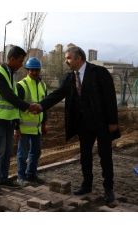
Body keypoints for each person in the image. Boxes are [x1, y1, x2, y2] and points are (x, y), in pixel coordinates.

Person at [36, 46, 120, 204]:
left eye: (68, 58)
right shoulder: (69, 78)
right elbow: (58, 94)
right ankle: (86, 185)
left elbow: (110, 98)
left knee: (105, 156)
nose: (66, 61)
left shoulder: (99, 73)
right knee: (85, 156)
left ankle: (108, 189)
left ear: (79, 58)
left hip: (102, 123)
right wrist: (41, 106)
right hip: (83, 125)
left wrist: (113, 122)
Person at [0, 46, 40, 191]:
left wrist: (16, 123)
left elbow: (13, 102)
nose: (21, 64)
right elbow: (9, 97)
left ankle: (4, 179)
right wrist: (28, 107)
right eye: (20, 61)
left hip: (9, 120)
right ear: (11, 59)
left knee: (7, 152)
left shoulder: (11, 74)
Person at [15, 57, 47, 186]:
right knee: (22, 154)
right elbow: (16, 109)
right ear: (27, 70)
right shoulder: (21, 85)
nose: (34, 72)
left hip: (37, 128)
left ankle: (31, 175)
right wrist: (16, 127)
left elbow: (45, 106)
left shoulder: (43, 85)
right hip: (24, 127)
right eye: (32, 70)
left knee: (36, 152)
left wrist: (44, 124)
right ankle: (21, 177)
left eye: (36, 70)